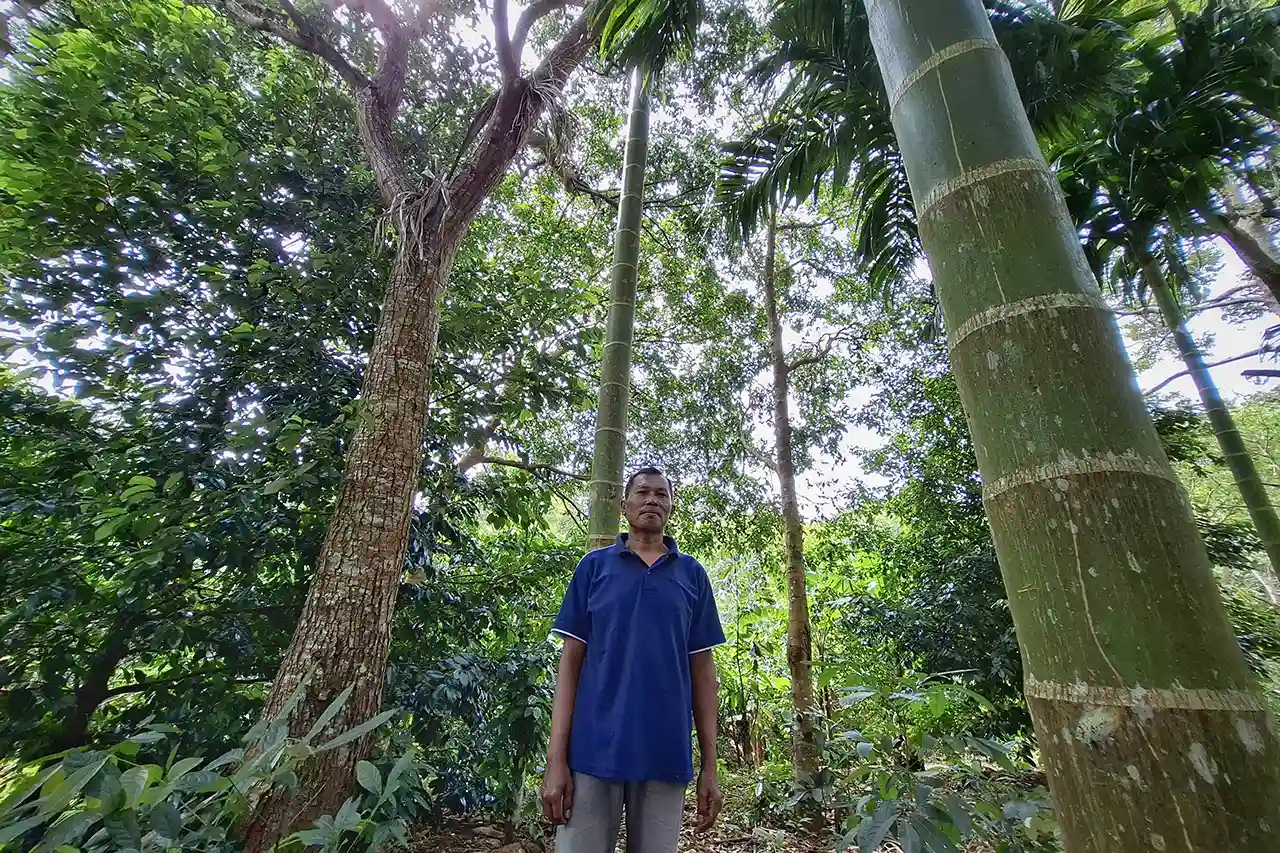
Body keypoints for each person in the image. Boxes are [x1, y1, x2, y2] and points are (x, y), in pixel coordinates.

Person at [541, 467, 726, 853]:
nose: (652, 500)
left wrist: (711, 765)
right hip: (592, 752)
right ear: (624, 506)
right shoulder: (594, 568)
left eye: (661, 494)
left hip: (665, 752)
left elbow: (703, 673)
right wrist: (556, 759)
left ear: (671, 507)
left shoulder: (691, 575)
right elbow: (570, 665)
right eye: (643, 493)